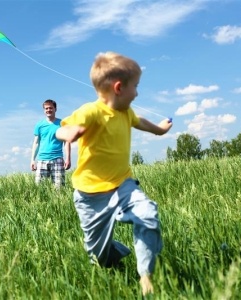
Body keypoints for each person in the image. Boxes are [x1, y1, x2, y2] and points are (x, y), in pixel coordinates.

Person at [55, 52, 172, 295]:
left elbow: (140, 121)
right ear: (119, 88)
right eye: (135, 87)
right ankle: (116, 256)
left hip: (123, 185)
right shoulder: (91, 111)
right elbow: (61, 130)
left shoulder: (126, 113)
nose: (137, 93)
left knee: (148, 215)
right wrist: (71, 133)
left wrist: (160, 130)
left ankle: (146, 276)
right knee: (99, 256)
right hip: (90, 196)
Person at [31, 99, 71, 188]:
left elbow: (67, 142)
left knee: (59, 188)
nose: (48, 110)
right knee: (39, 189)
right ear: (44, 110)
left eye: (51, 108)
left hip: (57, 159)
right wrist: (33, 160)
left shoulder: (62, 124)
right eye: (46, 108)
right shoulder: (39, 125)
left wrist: (68, 158)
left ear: (55, 109)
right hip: (42, 160)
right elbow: (36, 143)